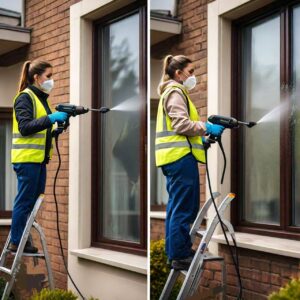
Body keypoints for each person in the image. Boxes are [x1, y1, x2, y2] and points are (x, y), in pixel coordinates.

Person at [155, 55, 225, 270]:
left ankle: (175, 252)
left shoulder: (172, 92)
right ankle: (180, 254)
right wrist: (207, 127)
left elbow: (181, 131)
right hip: (179, 159)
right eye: (191, 72)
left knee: (176, 207)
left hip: (174, 159)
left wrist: (202, 140)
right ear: (179, 73)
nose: (194, 76)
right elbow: (181, 124)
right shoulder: (175, 92)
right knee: (185, 207)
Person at [9, 60, 68, 253]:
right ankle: (17, 241)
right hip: (27, 160)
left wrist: (57, 128)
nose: (52, 80)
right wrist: (51, 118)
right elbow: (26, 127)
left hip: (39, 160)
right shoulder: (24, 98)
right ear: (36, 77)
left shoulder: (42, 99)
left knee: (33, 203)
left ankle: (22, 238)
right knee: (25, 201)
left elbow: (42, 131)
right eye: (48, 76)